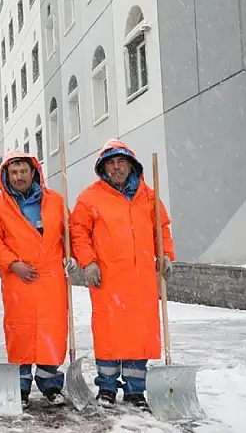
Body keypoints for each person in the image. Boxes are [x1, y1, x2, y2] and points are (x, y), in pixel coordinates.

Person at [69, 139, 175, 411]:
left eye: (121, 162)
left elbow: (161, 230)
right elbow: (78, 233)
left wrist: (165, 256)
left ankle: (135, 390)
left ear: (131, 165)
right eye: (111, 163)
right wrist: (89, 263)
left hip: (141, 281)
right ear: (103, 167)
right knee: (108, 333)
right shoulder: (90, 197)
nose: (116, 168)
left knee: (139, 335)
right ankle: (106, 387)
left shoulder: (149, 196)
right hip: (107, 279)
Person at [0, 152, 80, 408]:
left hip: (51, 280)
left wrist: (73, 257)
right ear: (6, 175)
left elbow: (72, 233)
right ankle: (21, 388)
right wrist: (13, 264)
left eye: (22, 171)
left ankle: (50, 386)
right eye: (13, 173)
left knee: (52, 332)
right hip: (19, 280)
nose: (18, 177)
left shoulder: (56, 202)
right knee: (21, 333)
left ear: (33, 172)